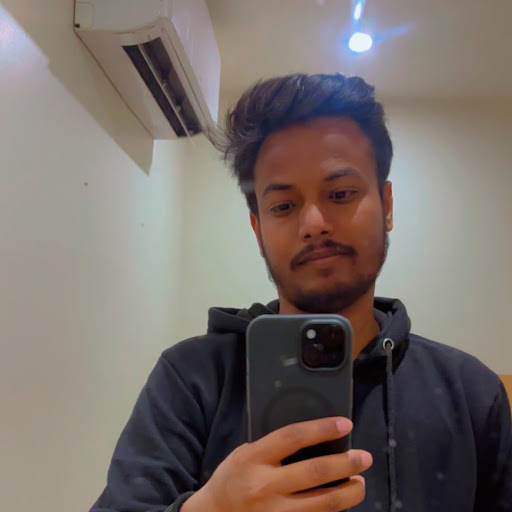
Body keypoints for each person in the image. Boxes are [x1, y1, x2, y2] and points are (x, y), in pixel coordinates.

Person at [90, 74, 512, 512]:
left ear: (387, 206)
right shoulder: (192, 377)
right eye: (284, 206)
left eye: (341, 193)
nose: (314, 223)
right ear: (257, 230)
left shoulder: (471, 393)